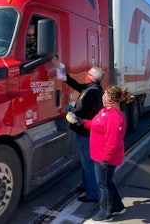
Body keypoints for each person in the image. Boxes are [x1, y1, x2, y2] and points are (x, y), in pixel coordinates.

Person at [71, 85, 133, 222]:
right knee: (107, 182)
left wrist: (105, 160)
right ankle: (118, 207)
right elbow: (96, 124)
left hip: (104, 158)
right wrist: (82, 122)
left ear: (111, 99)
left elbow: (112, 143)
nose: (102, 96)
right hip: (99, 155)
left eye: (105, 94)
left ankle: (106, 213)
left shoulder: (114, 119)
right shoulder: (105, 111)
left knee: (102, 185)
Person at [58, 64, 105, 202]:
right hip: (85, 133)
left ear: (92, 78)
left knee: (88, 164)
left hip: (86, 134)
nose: (86, 74)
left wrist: (70, 111)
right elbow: (76, 85)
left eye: (88, 73)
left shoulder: (92, 93)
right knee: (85, 162)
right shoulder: (90, 88)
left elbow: (83, 114)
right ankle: (87, 186)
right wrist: (63, 73)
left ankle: (92, 194)